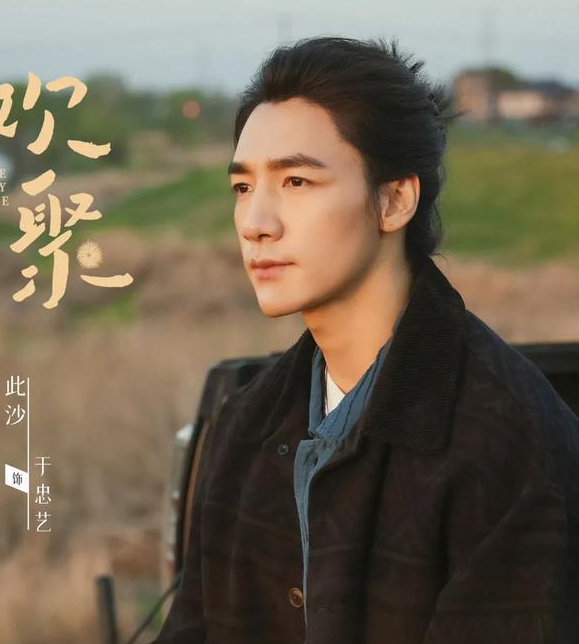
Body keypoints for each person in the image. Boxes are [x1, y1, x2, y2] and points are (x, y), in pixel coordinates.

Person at [151, 37, 579, 643]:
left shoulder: (504, 440)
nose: (256, 224)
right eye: (243, 188)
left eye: (296, 181)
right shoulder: (247, 421)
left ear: (395, 200)